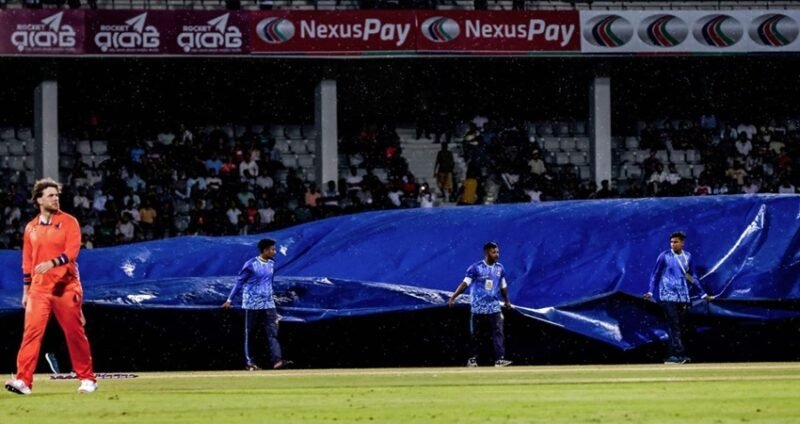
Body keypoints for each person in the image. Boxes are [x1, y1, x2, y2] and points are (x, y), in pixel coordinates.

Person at [5, 178, 97, 396]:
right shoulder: (31, 227)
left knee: (74, 333)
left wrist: (52, 263)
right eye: (50, 195)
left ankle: (87, 379)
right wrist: (26, 291)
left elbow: (72, 252)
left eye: (57, 195)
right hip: (39, 289)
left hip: (65, 287)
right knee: (31, 334)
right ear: (39, 200)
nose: (55, 199)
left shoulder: (69, 222)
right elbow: (27, 261)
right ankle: (23, 381)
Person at [643, 232, 714, 365]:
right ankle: (679, 355)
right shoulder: (664, 256)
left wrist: (703, 294)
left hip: (683, 297)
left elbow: (691, 276)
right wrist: (651, 292)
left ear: (682, 243)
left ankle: (672, 356)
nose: (672, 244)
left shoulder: (688, 256)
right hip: (667, 296)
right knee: (674, 325)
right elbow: (655, 275)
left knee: (680, 327)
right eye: (671, 242)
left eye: (675, 242)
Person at [222, 238, 290, 370]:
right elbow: (239, 282)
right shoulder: (250, 264)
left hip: (268, 303)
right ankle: (250, 363)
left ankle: (277, 360)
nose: (275, 252)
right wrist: (229, 300)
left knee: (272, 332)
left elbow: (268, 282)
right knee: (250, 333)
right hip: (252, 303)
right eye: (273, 249)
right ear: (265, 250)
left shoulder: (271, 263)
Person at [448, 242, 512, 367]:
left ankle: (500, 359)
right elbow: (465, 284)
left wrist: (506, 300)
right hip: (478, 307)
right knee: (476, 335)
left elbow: (503, 286)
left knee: (498, 332)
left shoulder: (500, 268)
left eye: (498, 252)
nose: (497, 254)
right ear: (487, 253)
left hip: (494, 307)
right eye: (494, 252)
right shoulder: (476, 268)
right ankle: (472, 359)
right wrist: (454, 297)